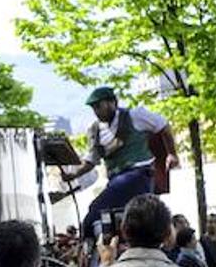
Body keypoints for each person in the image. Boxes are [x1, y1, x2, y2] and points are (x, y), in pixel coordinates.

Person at [62, 88, 179, 246]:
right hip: (115, 181)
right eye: (93, 108)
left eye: (99, 106)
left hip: (138, 176)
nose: (96, 111)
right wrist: (74, 175)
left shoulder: (135, 115)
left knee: (95, 212)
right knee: (120, 223)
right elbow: (91, 160)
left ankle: (90, 249)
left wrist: (171, 154)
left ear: (113, 102)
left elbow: (163, 125)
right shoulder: (95, 130)